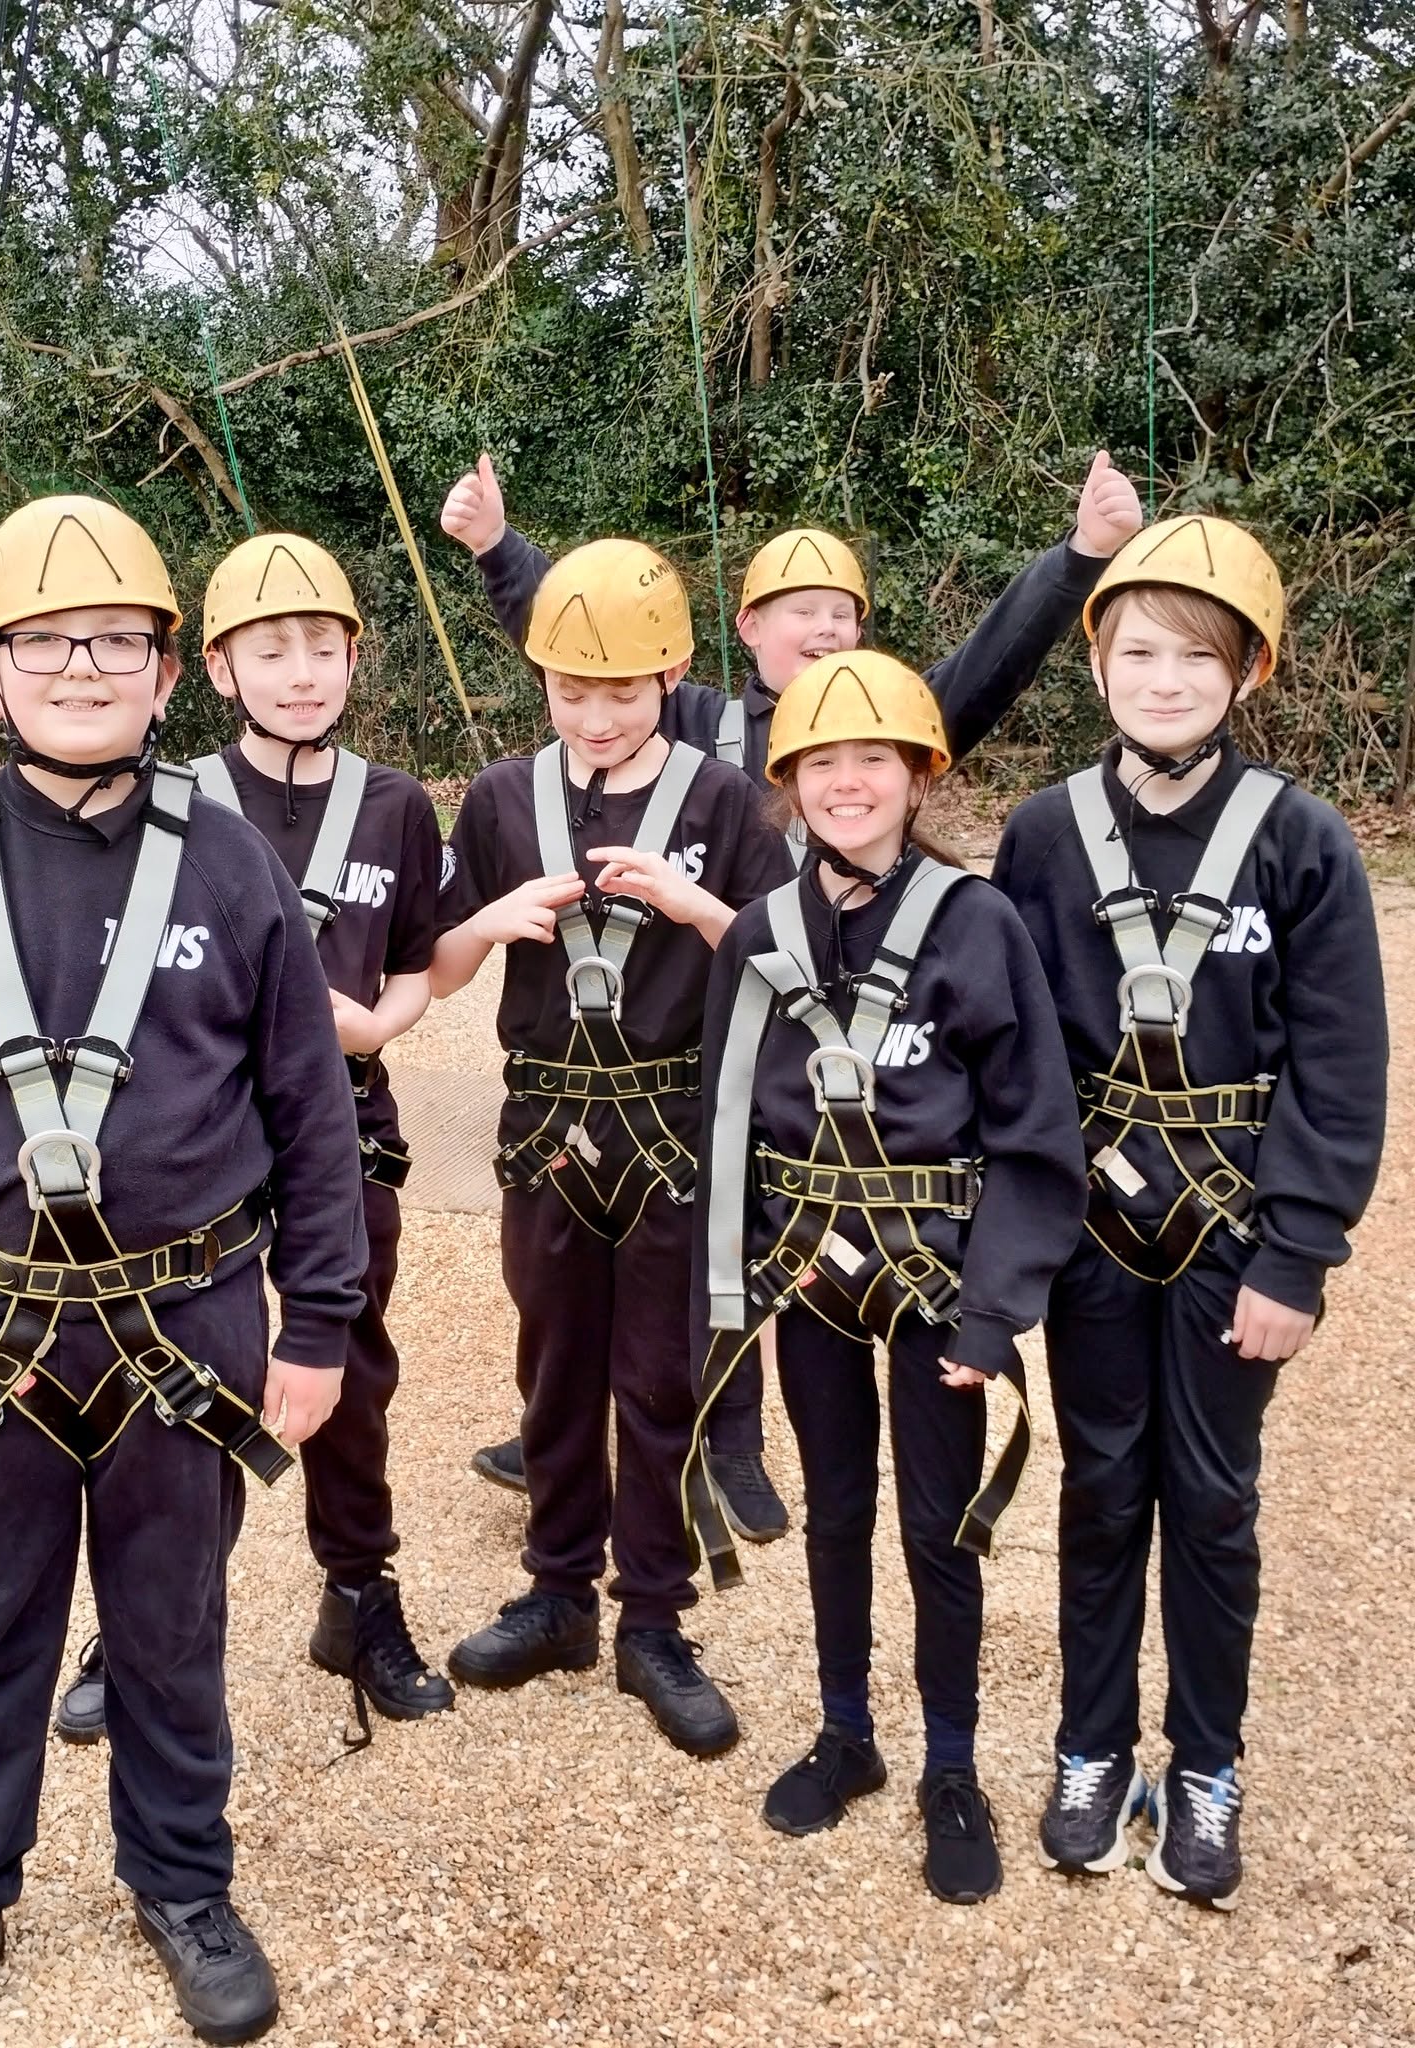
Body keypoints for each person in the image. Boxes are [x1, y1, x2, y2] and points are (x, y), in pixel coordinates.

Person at [0, 495, 365, 2047]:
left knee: (171, 1632)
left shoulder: (234, 867)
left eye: (113, 641)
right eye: (45, 645)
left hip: (188, 1322)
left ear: (166, 671)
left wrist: (315, 1325)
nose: (81, 668)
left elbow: (312, 1114)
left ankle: (182, 1880)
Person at [438, 450, 1144, 1542]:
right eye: (795, 609)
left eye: (841, 612)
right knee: (697, 1225)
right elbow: (597, 646)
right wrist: (496, 550)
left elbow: (990, 666)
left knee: (779, 1220)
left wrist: (1078, 558)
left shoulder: (878, 713)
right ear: (746, 623)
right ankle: (610, 1443)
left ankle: (727, 1441)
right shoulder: (707, 727)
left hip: (851, 1008)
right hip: (715, 1031)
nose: (821, 630)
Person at [992, 517, 1388, 1909]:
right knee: (1101, 1493)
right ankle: (1094, 1747)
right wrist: (1013, 1244)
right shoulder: (1042, 838)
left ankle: (1206, 1762)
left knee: (1211, 1504)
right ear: (1097, 663)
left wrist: (1300, 1253)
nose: (1165, 681)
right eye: (1138, 652)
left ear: (1249, 671)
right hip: (1095, 1232)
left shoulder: (1302, 843)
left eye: (1197, 658)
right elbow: (1010, 1053)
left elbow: (1342, 1067)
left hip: (1232, 1238)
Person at [690, 650, 1086, 1903]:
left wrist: (996, 1304)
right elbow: (724, 1123)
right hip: (809, 1277)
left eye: (875, 760)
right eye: (820, 761)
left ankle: (950, 1766)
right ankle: (846, 1730)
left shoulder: (978, 928)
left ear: (920, 776)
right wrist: (733, 1287)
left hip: (936, 1284)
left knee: (935, 1526)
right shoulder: (757, 938)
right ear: (786, 782)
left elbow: (1033, 1127)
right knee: (836, 1509)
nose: (846, 782)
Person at [54, 532, 450, 1752]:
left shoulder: (393, 806)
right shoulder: (166, 806)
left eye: (320, 649)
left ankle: (358, 1593)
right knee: (172, 1381)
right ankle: (134, 1627)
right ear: (215, 668)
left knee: (352, 1376)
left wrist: (379, 1018)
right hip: (200, 1146)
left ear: (348, 661)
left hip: (346, 1138)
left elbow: (422, 960)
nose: (299, 672)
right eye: (269, 650)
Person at [431, 536, 793, 1757]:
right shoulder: (494, 800)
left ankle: (653, 1617)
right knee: (552, 1363)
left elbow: (795, 963)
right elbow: (433, 963)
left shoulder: (723, 801)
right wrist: (488, 918)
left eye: (623, 692)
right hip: (545, 1122)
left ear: (675, 675)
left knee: (660, 1375)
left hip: (674, 1120)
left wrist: (689, 905)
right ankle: (553, 1592)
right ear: (537, 679)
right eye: (571, 690)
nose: (594, 714)